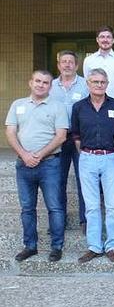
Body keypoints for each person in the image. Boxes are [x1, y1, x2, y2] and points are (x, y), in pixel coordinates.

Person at [6, 70, 67, 262]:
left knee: (55, 207)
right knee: (27, 208)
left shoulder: (58, 107)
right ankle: (30, 246)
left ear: (50, 86)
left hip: (50, 164)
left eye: (46, 82)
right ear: (30, 82)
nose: (41, 85)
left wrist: (38, 155)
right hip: (23, 165)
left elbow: (61, 136)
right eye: (38, 81)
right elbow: (10, 132)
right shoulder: (17, 105)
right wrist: (24, 155)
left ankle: (57, 247)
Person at [71, 68, 114, 264]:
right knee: (92, 206)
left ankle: (112, 246)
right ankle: (94, 246)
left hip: (111, 158)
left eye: (102, 82)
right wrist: (85, 154)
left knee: (112, 205)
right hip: (87, 158)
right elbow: (75, 134)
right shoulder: (79, 107)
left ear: (107, 84)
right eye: (95, 82)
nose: (99, 85)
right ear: (88, 84)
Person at [49, 50, 89, 233]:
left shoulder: (85, 85)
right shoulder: (50, 86)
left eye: (70, 62)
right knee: (58, 181)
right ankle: (59, 220)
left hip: (79, 138)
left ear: (76, 65)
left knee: (84, 180)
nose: (67, 65)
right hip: (56, 139)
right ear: (58, 65)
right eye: (63, 62)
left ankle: (85, 220)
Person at [82, 26, 114, 98]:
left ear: (113, 40)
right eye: (102, 37)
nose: (105, 40)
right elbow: (87, 84)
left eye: (108, 37)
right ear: (97, 40)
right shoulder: (88, 60)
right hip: (94, 104)